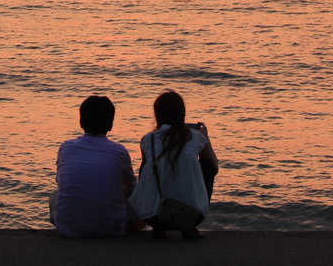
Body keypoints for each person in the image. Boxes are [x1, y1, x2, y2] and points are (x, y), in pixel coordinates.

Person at [127, 90, 219, 240]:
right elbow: (214, 166)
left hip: (152, 216)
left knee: (147, 166)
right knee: (207, 165)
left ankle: (158, 228)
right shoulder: (195, 137)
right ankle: (189, 228)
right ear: (182, 114)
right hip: (191, 216)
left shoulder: (148, 140)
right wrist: (206, 138)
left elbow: (145, 174)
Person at [51, 95, 139, 238]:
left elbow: (60, 182)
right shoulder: (119, 151)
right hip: (111, 230)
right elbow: (132, 187)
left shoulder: (65, 148)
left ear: (81, 122)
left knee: (55, 195)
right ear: (110, 124)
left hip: (68, 229)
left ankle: (73, 221)